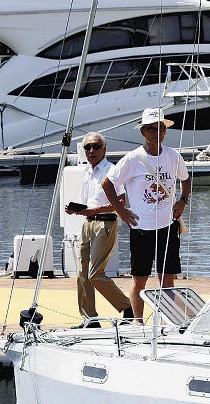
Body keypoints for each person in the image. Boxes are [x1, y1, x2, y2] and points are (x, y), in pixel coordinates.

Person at [102, 108, 191, 321]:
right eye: (150, 129)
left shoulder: (173, 156)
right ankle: (138, 323)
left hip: (168, 227)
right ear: (142, 132)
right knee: (139, 280)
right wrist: (121, 211)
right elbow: (107, 183)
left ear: (165, 131)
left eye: (160, 128)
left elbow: (185, 179)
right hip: (141, 229)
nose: (156, 132)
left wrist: (183, 200)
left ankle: (167, 321)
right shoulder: (133, 159)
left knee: (167, 280)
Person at [65, 132, 132, 327]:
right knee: (82, 274)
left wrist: (93, 210)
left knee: (95, 274)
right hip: (87, 224)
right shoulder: (88, 172)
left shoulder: (111, 170)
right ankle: (90, 319)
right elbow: (87, 203)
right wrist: (77, 210)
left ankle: (127, 307)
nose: (91, 151)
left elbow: (120, 202)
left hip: (105, 224)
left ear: (104, 148)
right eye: (87, 147)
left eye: (96, 146)